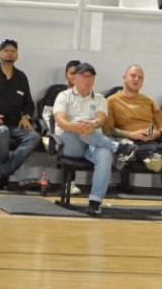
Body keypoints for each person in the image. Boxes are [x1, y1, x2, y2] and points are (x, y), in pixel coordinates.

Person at [107, 64, 162, 220]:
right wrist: (132, 134)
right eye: (133, 76)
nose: (136, 79)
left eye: (140, 77)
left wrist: (154, 133)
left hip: (154, 140)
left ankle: (159, 154)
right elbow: (109, 129)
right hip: (132, 143)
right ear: (124, 77)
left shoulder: (149, 101)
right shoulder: (112, 101)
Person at [53, 62, 136, 216]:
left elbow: (101, 119)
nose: (86, 79)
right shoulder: (64, 96)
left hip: (93, 141)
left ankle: (95, 201)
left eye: (90, 76)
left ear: (94, 80)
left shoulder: (99, 99)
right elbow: (60, 121)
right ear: (75, 78)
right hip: (70, 142)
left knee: (105, 153)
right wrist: (75, 126)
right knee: (81, 129)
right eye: (83, 76)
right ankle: (117, 147)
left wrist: (92, 124)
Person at [0, 38, 41, 190]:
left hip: (15, 124)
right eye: (6, 51)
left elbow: (29, 104)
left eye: (13, 51)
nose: (9, 54)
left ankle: (1, 173)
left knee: (34, 136)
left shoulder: (21, 77)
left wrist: (26, 117)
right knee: (2, 131)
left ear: (17, 55)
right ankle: (2, 176)